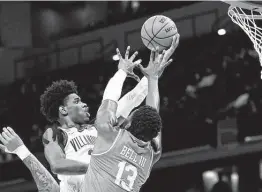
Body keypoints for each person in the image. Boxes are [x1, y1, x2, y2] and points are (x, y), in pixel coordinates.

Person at [82, 33, 179, 192]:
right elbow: (152, 116)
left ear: (128, 123)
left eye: (131, 114)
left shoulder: (110, 136)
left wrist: (122, 71)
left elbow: (109, 100)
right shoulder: (152, 153)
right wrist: (152, 78)